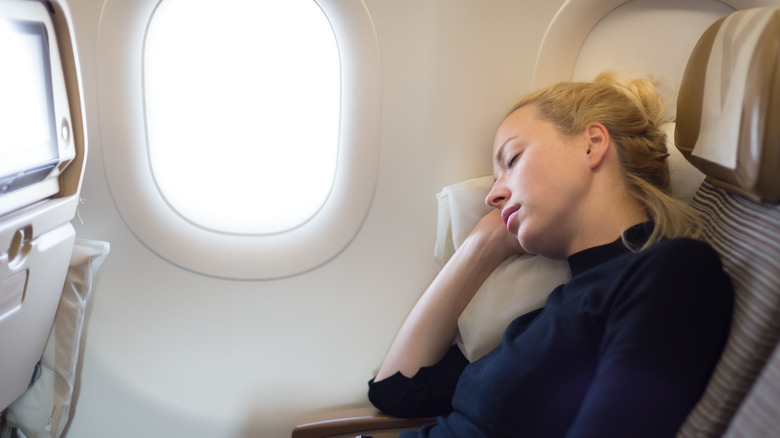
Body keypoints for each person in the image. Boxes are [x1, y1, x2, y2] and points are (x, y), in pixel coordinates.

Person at [367, 72, 734, 437]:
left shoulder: (673, 274)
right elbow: (399, 390)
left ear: (592, 143)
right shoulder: (549, 313)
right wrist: (483, 243)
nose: (491, 196)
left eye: (511, 160)